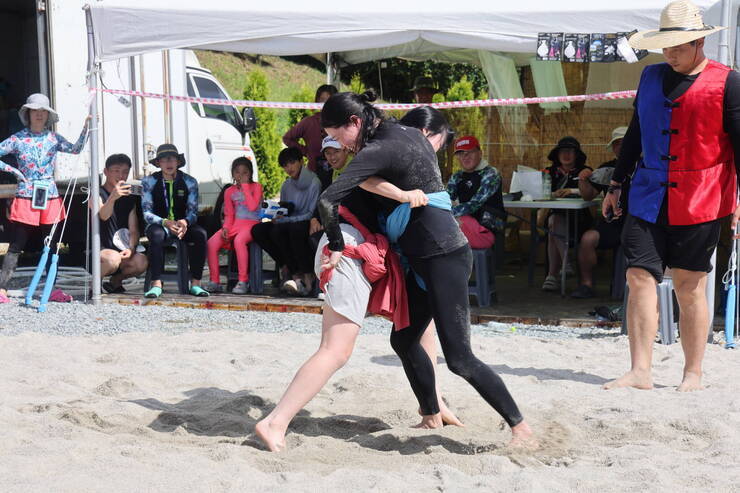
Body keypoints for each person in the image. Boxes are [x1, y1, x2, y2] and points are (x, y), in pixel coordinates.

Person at [321, 92, 534, 443]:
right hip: (426, 254)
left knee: (460, 358)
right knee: (404, 339)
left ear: (355, 123)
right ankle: (432, 415)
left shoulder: (379, 148)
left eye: (338, 135)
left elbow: (328, 199)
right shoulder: (402, 134)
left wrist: (337, 246)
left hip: (443, 255)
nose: (338, 144)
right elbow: (364, 178)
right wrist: (402, 196)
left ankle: (521, 427)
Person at [255, 105, 465, 452]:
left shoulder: (388, 157)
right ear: (425, 135)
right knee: (335, 350)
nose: (435, 152)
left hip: (357, 245)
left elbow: (424, 330)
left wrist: (434, 403)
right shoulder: (393, 156)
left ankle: (432, 406)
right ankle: (274, 422)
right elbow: (333, 199)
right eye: (438, 142)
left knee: (416, 326)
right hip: (348, 247)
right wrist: (338, 243)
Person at [603, 0, 740, 392]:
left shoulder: (728, 81)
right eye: (666, 46)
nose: (670, 54)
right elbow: (635, 135)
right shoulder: (649, 77)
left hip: (702, 195)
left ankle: (692, 372)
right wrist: (616, 184)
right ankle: (640, 370)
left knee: (689, 285)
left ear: (699, 42)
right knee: (638, 276)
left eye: (678, 46)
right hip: (647, 194)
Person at [0, 93, 89, 303]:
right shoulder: (17, 138)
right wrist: (13, 171)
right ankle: (2, 289)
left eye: (43, 111)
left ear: (47, 115)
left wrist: (86, 127)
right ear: (28, 113)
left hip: (49, 195)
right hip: (25, 195)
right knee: (17, 244)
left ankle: (51, 288)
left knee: (52, 244)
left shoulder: (53, 138)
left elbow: (75, 149)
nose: (39, 115)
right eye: (35, 110)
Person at [141, 144, 209, 298]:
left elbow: (193, 211)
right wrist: (165, 222)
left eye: (172, 159)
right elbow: (146, 213)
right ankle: (156, 283)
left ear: (178, 162)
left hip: (183, 224)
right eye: (164, 160)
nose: (169, 163)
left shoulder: (190, 181)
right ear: (158, 163)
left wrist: (185, 222)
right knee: (156, 236)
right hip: (160, 224)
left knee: (201, 234)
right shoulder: (148, 182)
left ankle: (196, 283)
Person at [251, 147, 321, 296]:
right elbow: (283, 208)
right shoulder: (286, 185)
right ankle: (288, 269)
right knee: (258, 230)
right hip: (289, 222)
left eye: (291, 163)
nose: (288, 168)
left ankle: (306, 275)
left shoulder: (314, 182)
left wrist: (287, 220)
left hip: (306, 222)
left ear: (301, 162)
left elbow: (311, 213)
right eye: (285, 165)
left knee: (287, 230)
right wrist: (277, 215)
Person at [571, 127, 629, 298]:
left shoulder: (645, 166)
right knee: (587, 238)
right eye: (616, 144)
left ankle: (630, 290)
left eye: (624, 143)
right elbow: (588, 194)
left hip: (637, 224)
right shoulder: (606, 169)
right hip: (612, 223)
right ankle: (586, 285)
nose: (620, 147)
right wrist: (583, 178)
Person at [204, 157, 262, 294]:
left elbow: (253, 207)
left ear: (251, 173)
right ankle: (215, 281)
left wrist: (246, 187)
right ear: (233, 174)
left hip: (252, 223)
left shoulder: (257, 187)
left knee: (239, 240)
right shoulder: (229, 191)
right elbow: (229, 214)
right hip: (235, 224)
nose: (241, 176)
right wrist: (225, 228)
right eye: (237, 172)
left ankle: (243, 281)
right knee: (211, 243)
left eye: (245, 172)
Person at [541, 136, 592, 292]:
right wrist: (552, 194)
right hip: (555, 217)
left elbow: (594, 192)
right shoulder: (548, 172)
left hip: (579, 220)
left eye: (570, 151)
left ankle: (552, 275)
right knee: (553, 223)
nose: (566, 155)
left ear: (576, 155)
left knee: (552, 228)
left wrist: (572, 190)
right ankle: (565, 264)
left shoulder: (585, 171)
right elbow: (539, 192)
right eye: (563, 151)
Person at [96, 153, 148, 293]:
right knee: (112, 259)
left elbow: (133, 229)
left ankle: (115, 282)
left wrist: (131, 248)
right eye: (116, 171)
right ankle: (93, 286)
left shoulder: (129, 197)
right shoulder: (96, 193)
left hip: (121, 248)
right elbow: (103, 215)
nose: (121, 175)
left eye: (125, 172)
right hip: (98, 250)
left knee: (141, 261)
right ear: (106, 172)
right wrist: (113, 198)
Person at [448, 135, 505, 249]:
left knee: (448, 223)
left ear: (480, 153)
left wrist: (445, 213)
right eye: (460, 153)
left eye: (470, 152)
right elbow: (446, 199)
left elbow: (474, 204)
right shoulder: (457, 176)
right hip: (466, 224)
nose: (465, 157)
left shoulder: (491, 174)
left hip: (487, 229)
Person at [283, 84, 339, 190]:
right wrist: (306, 151)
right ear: (316, 102)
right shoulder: (308, 122)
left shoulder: (341, 123)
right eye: (322, 100)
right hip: (314, 175)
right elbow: (287, 138)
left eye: (329, 100)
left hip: (338, 177)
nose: (325, 104)